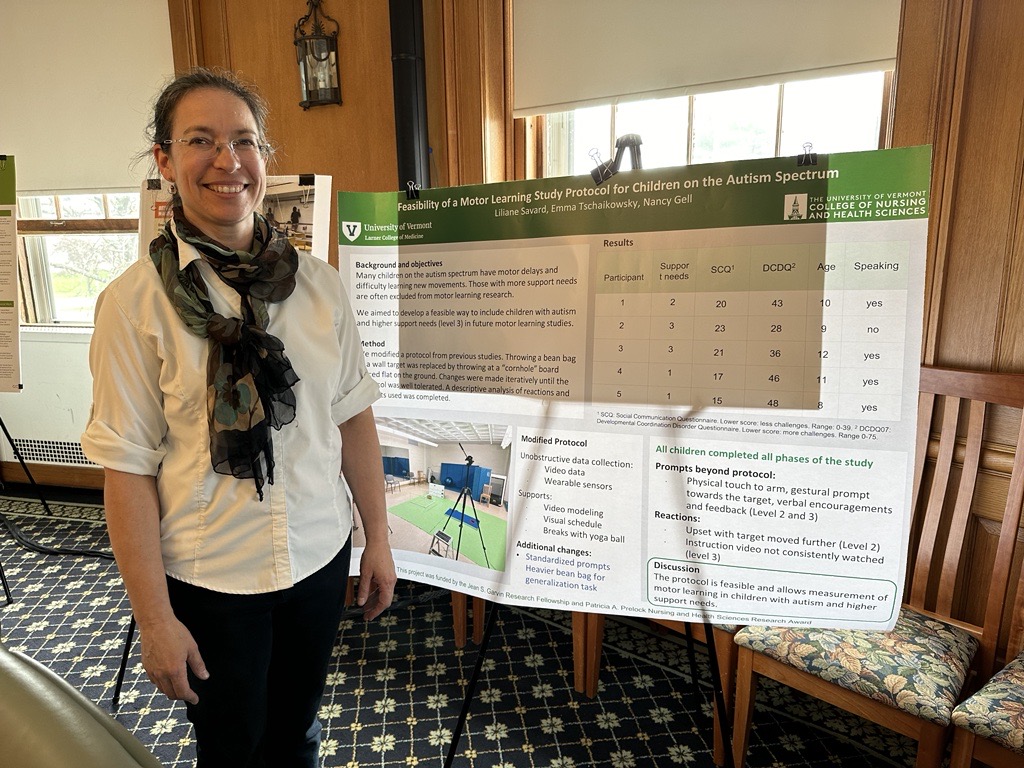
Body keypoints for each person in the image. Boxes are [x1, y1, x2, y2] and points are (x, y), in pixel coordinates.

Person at [82, 67, 396, 768]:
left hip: (318, 554)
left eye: (244, 140)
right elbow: (127, 470)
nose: (228, 161)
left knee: (297, 735)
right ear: (164, 160)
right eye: (200, 140)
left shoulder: (319, 287)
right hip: (211, 576)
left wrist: (378, 536)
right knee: (231, 747)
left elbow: (352, 419)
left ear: (265, 158)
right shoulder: (134, 306)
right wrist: (155, 619)